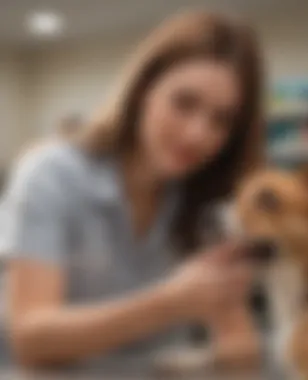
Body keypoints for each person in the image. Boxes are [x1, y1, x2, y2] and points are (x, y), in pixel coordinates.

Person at [1, 10, 264, 371]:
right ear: (144, 90)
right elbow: (30, 339)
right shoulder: (51, 174)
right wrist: (169, 303)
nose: (197, 135)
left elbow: (238, 345)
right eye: (184, 103)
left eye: (221, 120)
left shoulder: (208, 200)